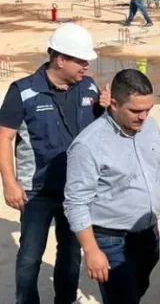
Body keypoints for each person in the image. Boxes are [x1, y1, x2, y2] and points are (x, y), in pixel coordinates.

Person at [0, 23, 108, 304]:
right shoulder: (23, 91)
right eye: (81, 60)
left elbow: (101, 130)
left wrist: (109, 108)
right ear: (61, 59)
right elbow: (4, 137)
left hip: (77, 190)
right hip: (36, 191)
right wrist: (9, 183)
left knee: (70, 253)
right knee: (30, 256)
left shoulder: (89, 87)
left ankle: (66, 299)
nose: (86, 65)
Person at [64, 69, 160, 304]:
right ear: (114, 104)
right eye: (136, 111)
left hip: (148, 233)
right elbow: (76, 203)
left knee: (138, 288)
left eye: (148, 109)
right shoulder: (87, 145)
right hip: (110, 240)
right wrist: (91, 250)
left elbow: (159, 168)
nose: (143, 117)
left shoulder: (148, 128)